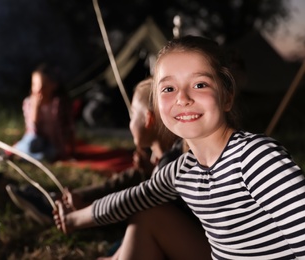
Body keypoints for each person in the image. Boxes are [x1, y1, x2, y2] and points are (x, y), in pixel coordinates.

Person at [53, 35, 305, 260]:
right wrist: (75, 219)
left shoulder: (255, 158)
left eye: (200, 84)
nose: (182, 98)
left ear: (227, 96)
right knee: (148, 216)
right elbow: (129, 200)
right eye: (169, 88)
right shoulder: (182, 170)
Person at [6, 77, 182, 224]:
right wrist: (149, 170)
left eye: (132, 114)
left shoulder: (169, 165)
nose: (130, 122)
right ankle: (63, 200)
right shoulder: (164, 155)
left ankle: (70, 206)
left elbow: (137, 200)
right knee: (132, 177)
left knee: (131, 194)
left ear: (148, 120)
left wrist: (80, 218)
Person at [13, 63, 75, 162]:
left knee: (51, 153)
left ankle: (26, 155)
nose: (38, 89)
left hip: (52, 143)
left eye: (43, 85)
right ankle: (21, 151)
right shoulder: (29, 103)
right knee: (32, 143)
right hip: (35, 139)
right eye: (35, 85)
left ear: (54, 85)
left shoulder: (59, 104)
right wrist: (36, 108)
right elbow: (32, 129)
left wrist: (70, 151)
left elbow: (69, 127)